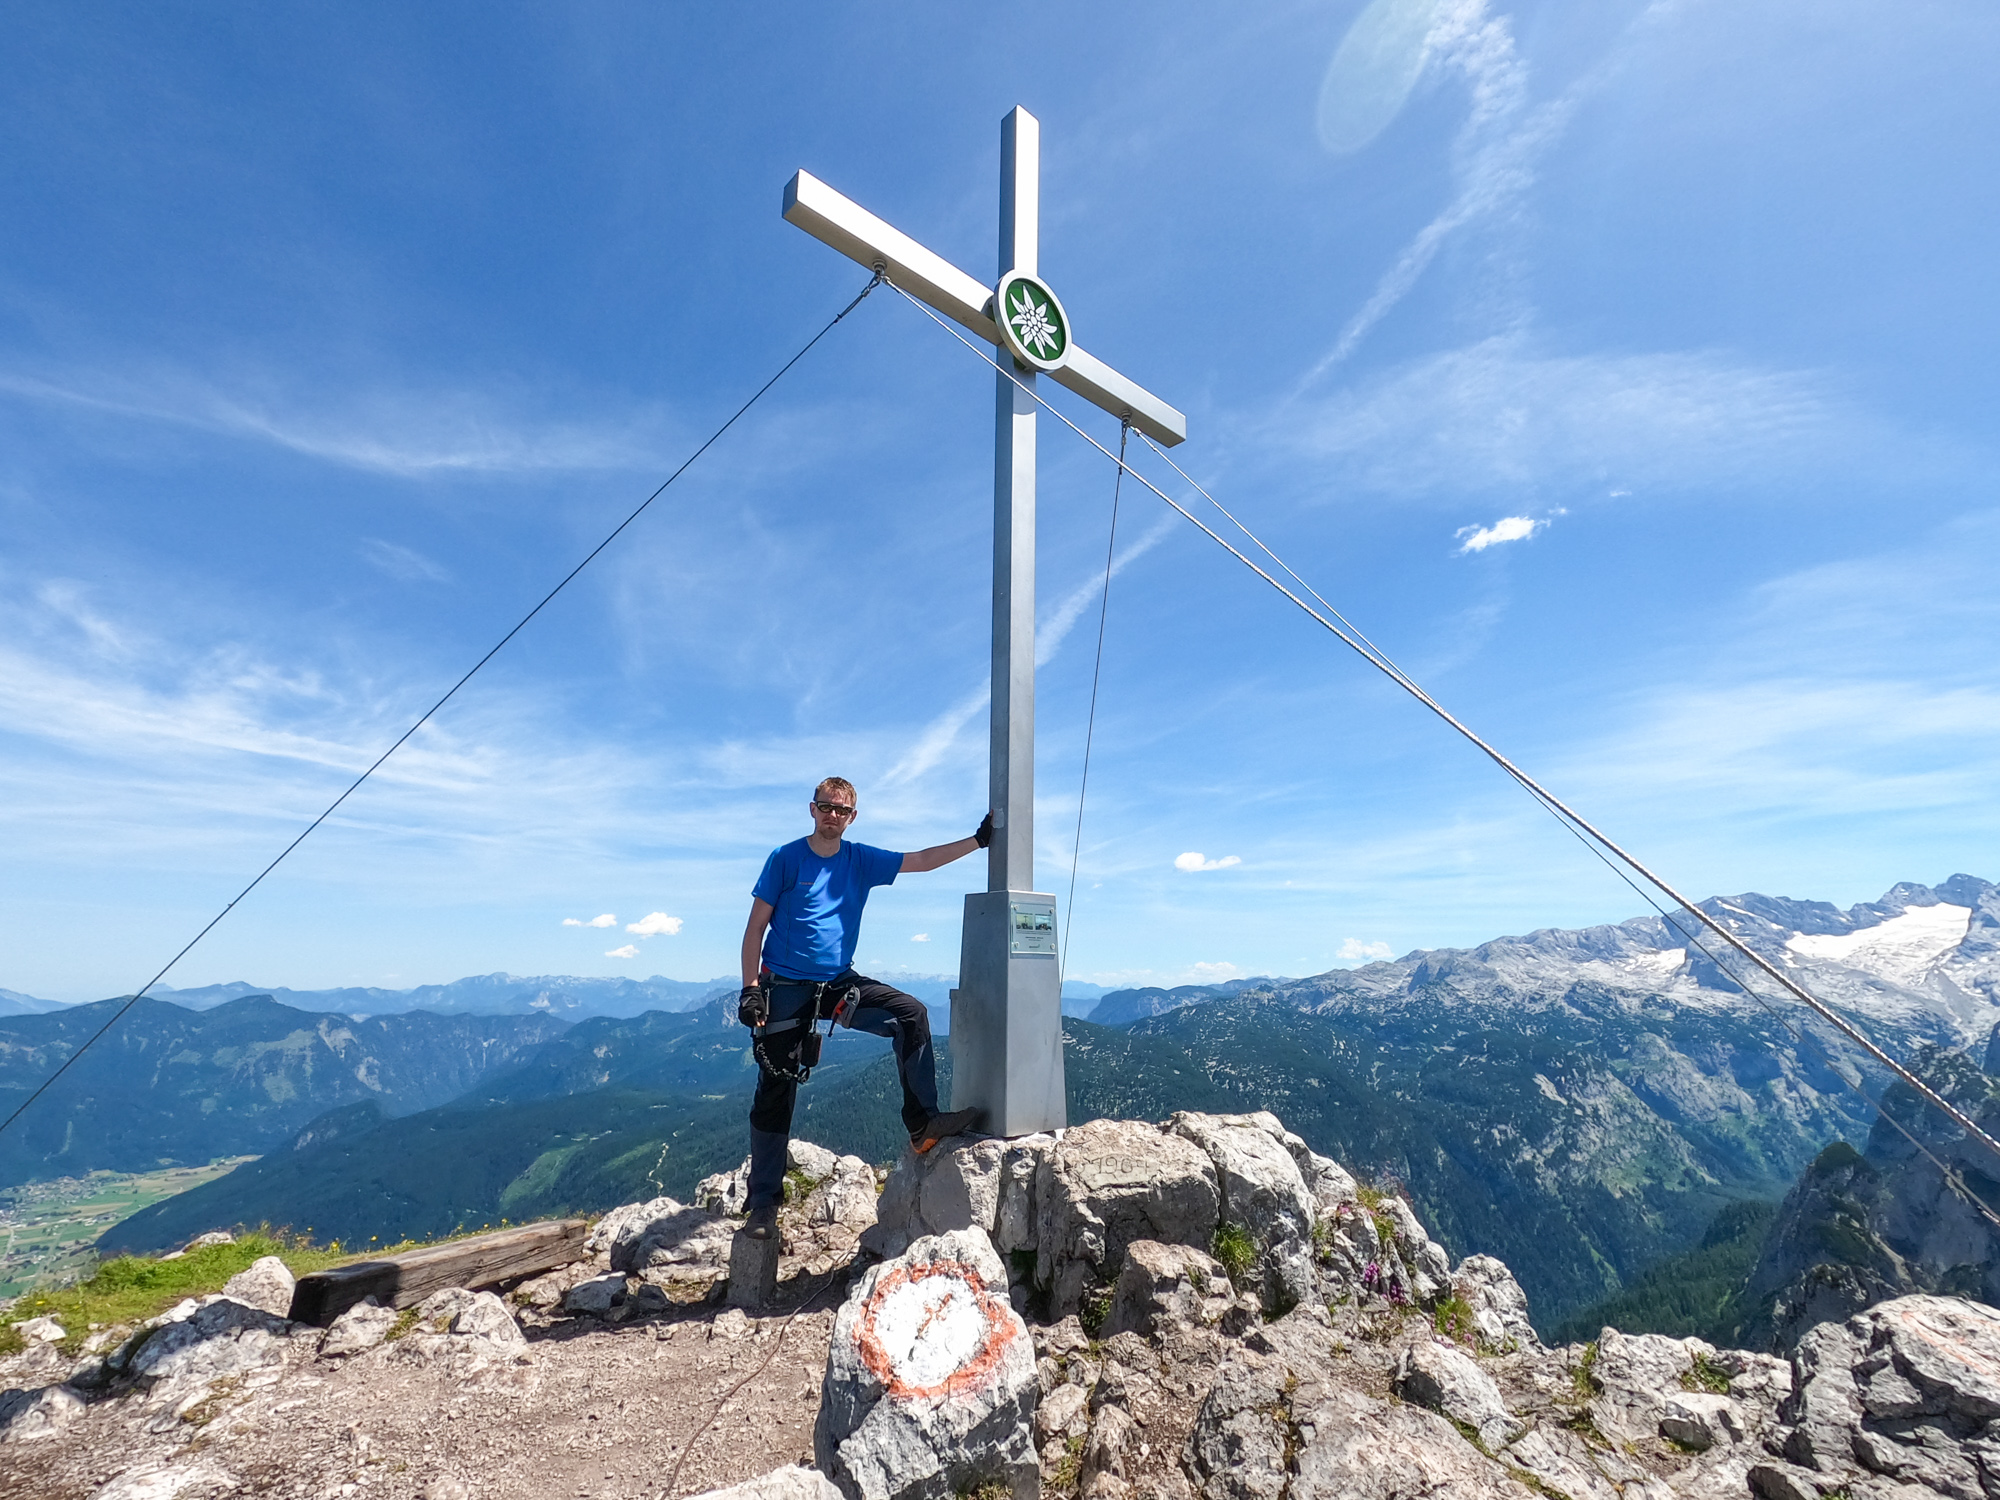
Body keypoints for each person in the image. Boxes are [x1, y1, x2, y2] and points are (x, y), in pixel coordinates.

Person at [737, 776, 990, 1239]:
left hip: (836, 983)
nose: (832, 816)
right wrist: (750, 988)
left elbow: (921, 862)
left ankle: (924, 1123)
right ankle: (763, 1205)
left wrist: (977, 841)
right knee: (775, 1087)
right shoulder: (786, 858)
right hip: (785, 985)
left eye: (841, 811)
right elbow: (755, 928)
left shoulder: (860, 859)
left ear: (852, 817)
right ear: (811, 810)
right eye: (825, 807)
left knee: (910, 1014)